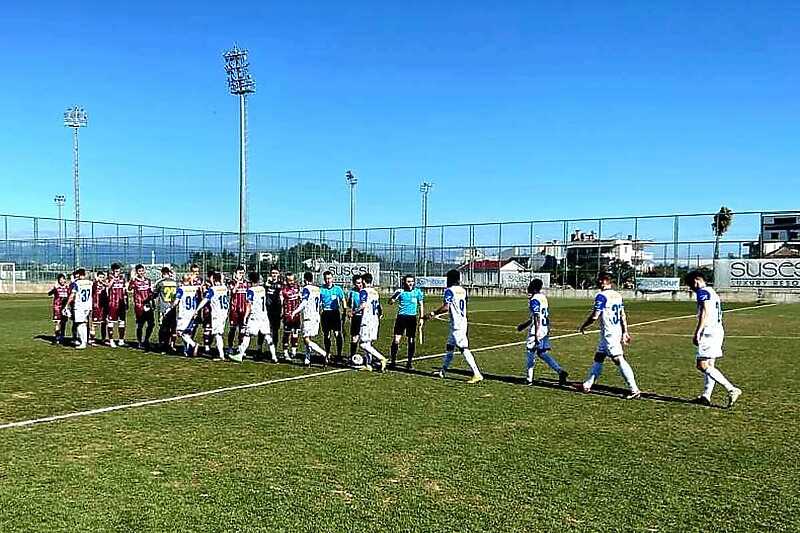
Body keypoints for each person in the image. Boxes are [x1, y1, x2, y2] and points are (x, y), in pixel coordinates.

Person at [575, 273, 641, 399]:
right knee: (599, 357)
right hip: (613, 331)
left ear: (605, 281)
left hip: (609, 333)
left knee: (618, 359)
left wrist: (584, 325)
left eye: (599, 280)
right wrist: (625, 331)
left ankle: (634, 389)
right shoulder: (617, 295)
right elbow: (622, 315)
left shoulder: (602, 296)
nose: (598, 283)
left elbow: (595, 316)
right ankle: (587, 385)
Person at [686, 271, 742, 407]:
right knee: (710, 365)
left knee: (702, 365)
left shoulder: (702, 292)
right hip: (718, 330)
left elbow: (705, 312)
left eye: (691, 285)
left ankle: (731, 389)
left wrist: (697, 332)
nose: (691, 289)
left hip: (709, 332)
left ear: (696, 281)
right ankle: (706, 396)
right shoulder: (712, 292)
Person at [427, 269, 483, 384]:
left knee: (463, 348)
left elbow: (446, 307)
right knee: (449, 347)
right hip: (461, 321)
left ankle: (477, 374)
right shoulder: (463, 290)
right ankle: (442, 371)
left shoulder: (449, 291)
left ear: (449, 279)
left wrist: (433, 313)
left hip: (457, 324)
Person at [516, 278, 569, 386]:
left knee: (530, 352)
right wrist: (524, 325)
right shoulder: (543, 298)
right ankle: (560, 371)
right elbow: (536, 316)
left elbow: (537, 316)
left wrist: (536, 333)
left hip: (538, 330)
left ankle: (529, 379)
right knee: (542, 353)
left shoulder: (534, 299)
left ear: (533, 287)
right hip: (545, 328)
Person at [235, 272, 278, 363]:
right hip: (264, 315)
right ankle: (274, 356)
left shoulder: (251, 290)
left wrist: (245, 316)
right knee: (268, 336)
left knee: (247, 335)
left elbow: (249, 305)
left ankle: (240, 355)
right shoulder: (262, 289)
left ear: (250, 280)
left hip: (255, 316)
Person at [388, 274, 425, 370]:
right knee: (396, 340)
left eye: (412, 281)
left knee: (411, 340)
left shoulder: (417, 292)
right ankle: (393, 361)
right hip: (401, 318)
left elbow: (421, 305)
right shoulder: (400, 291)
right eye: (408, 281)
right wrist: (395, 295)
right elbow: (390, 302)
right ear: (404, 282)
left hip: (412, 318)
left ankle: (409, 362)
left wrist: (421, 318)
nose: (410, 283)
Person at [291, 271, 327, 366]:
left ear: (305, 280)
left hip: (308, 317)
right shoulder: (317, 289)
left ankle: (324, 354)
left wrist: (295, 312)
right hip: (316, 316)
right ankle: (307, 359)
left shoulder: (306, 289)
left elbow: (304, 303)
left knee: (306, 339)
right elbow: (319, 303)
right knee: (307, 338)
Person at [357, 272, 388, 371]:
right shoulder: (375, 292)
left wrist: (353, 312)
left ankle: (381, 358)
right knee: (368, 343)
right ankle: (368, 364)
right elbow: (378, 306)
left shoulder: (364, 291)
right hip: (375, 319)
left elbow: (363, 305)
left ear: (364, 281)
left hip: (367, 319)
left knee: (363, 344)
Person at [194, 272, 229, 361]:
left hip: (217, 314)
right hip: (224, 313)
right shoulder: (224, 288)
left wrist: (197, 310)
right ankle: (221, 354)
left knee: (217, 334)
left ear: (213, 279)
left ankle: (221, 355)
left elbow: (205, 300)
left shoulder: (213, 289)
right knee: (219, 334)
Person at [319, 271, 347, 364]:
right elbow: (317, 301)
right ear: (324, 279)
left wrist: (345, 310)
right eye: (326, 278)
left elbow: (343, 299)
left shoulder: (337, 289)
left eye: (330, 278)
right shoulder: (321, 289)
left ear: (332, 278)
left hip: (335, 313)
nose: (328, 280)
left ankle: (339, 354)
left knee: (337, 334)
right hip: (325, 313)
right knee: (327, 335)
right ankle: (327, 353)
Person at [65, 268, 93, 349]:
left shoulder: (76, 283)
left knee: (79, 324)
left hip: (79, 306)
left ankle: (83, 342)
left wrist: (67, 305)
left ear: (79, 275)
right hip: (88, 305)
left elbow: (72, 295)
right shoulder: (90, 283)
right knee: (84, 323)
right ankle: (85, 340)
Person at [129, 264, 155, 350]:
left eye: (142, 270)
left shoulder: (148, 280)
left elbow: (150, 292)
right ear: (137, 272)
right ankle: (140, 342)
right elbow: (129, 288)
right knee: (140, 325)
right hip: (139, 306)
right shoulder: (135, 281)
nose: (141, 272)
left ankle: (146, 340)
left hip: (148, 305)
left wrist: (153, 302)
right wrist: (131, 280)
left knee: (151, 324)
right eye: (139, 271)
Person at [153, 266, 179, 353]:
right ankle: (172, 345)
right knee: (173, 327)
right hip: (173, 307)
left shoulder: (160, 282)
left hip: (163, 308)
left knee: (163, 327)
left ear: (162, 273)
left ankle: (163, 345)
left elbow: (155, 294)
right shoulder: (175, 282)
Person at [174, 274, 200, 357]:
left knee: (180, 332)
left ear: (182, 280)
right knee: (187, 333)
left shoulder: (181, 289)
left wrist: (171, 306)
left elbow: (176, 301)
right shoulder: (194, 289)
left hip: (184, 314)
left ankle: (193, 344)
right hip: (192, 313)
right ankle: (186, 351)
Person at [280, 272, 302, 361]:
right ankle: (285, 352)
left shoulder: (297, 287)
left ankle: (293, 351)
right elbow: (281, 302)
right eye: (289, 280)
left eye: (292, 280)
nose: (291, 282)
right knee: (286, 333)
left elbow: (301, 298)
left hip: (296, 315)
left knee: (295, 333)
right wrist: (282, 313)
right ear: (286, 280)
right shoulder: (283, 290)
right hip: (287, 315)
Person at [227, 266, 249, 354]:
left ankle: (240, 347)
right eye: (240, 273)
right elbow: (233, 292)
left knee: (242, 329)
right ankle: (230, 347)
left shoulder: (246, 283)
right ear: (235, 274)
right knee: (232, 329)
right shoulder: (231, 282)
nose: (241, 275)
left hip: (243, 310)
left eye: (243, 273)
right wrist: (238, 282)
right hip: (234, 310)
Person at [106, 263, 128, 346]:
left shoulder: (122, 278)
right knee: (111, 322)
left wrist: (126, 301)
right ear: (112, 271)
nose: (117, 273)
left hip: (121, 303)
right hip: (112, 303)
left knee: (122, 322)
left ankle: (121, 340)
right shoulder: (109, 278)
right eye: (116, 271)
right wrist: (113, 279)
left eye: (118, 271)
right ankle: (111, 340)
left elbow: (124, 290)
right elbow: (107, 287)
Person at [264, 268, 284, 357]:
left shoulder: (281, 284)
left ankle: (274, 349)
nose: (274, 274)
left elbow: (282, 296)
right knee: (263, 330)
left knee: (275, 331)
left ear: (279, 274)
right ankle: (259, 348)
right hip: (266, 310)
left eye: (276, 273)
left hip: (276, 310)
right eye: (272, 273)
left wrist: (282, 310)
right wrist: (266, 285)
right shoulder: (266, 284)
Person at [346, 275, 365, 364]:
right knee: (354, 338)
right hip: (356, 317)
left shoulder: (366, 291)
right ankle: (352, 356)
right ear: (354, 283)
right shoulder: (352, 292)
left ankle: (368, 358)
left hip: (365, 317)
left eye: (361, 282)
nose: (360, 285)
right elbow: (349, 304)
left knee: (366, 338)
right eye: (357, 283)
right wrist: (349, 312)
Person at [47, 274, 70, 344]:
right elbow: (49, 294)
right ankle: (57, 338)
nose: (62, 281)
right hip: (57, 307)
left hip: (64, 307)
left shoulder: (67, 287)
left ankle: (62, 336)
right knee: (58, 322)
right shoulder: (56, 287)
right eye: (61, 280)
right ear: (58, 281)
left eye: (63, 279)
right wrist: (54, 289)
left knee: (64, 323)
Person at [90, 270, 109, 346]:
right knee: (94, 324)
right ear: (97, 277)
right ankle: (92, 339)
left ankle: (103, 339)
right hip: (96, 306)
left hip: (104, 306)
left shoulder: (105, 285)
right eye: (100, 277)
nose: (101, 278)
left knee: (104, 323)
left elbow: (108, 287)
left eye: (103, 277)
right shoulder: (94, 284)